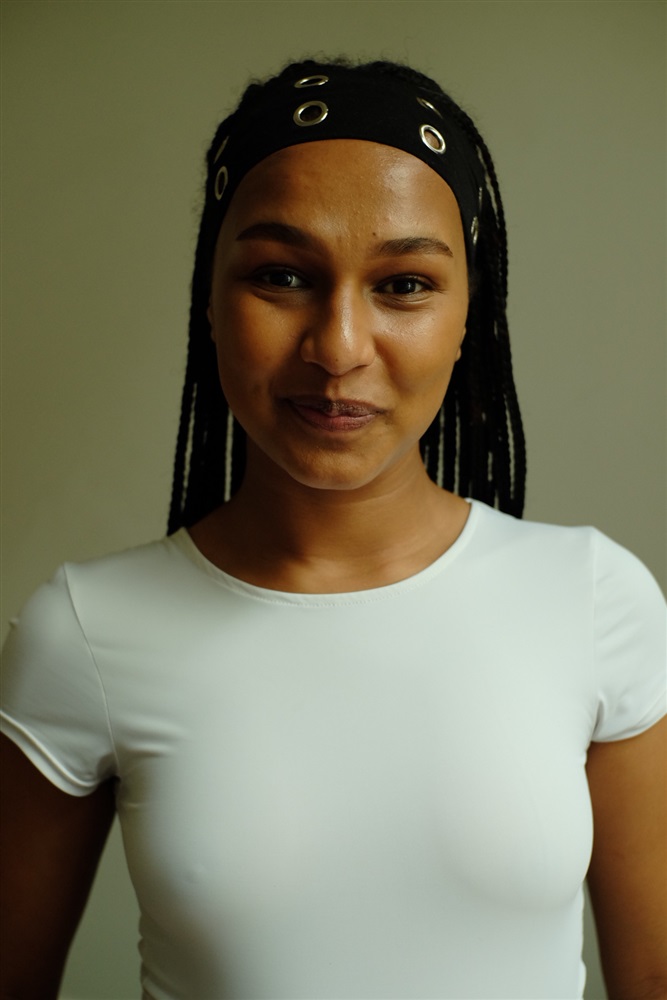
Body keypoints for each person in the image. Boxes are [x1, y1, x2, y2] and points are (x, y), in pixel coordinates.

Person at [1, 58, 665, 1000]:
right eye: (281, 276)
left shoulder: (592, 599)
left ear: (469, 314)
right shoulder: (86, 630)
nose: (339, 347)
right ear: (210, 299)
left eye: (404, 284)